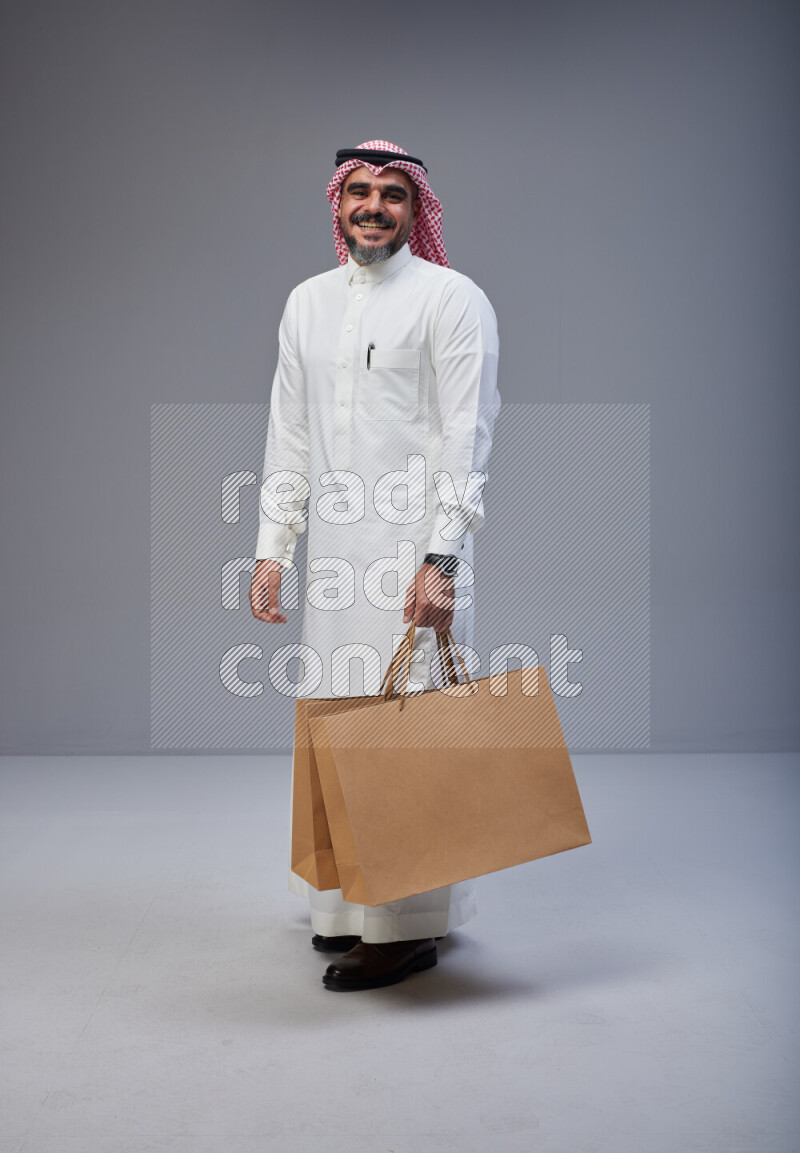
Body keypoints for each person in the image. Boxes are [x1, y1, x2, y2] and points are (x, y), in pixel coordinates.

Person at [249, 139, 500, 990]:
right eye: (360, 191)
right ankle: (347, 910)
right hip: (333, 559)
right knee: (335, 724)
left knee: (407, 733)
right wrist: (272, 549)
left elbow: (466, 437)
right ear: (338, 202)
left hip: (412, 553)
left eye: (393, 194)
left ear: (414, 207)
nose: (374, 207)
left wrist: (442, 559)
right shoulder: (308, 303)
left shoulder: (451, 299)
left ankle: (404, 928)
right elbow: (289, 432)